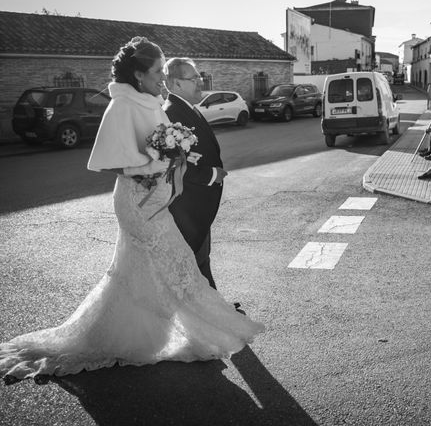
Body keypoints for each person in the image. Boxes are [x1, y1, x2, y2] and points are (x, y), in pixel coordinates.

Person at [0, 37, 263, 382]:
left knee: (150, 271)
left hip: (157, 199)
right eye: (157, 71)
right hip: (137, 204)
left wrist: (175, 158)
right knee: (175, 265)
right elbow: (110, 162)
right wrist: (156, 161)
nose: (162, 78)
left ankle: (156, 332)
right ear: (139, 74)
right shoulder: (122, 105)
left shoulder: (151, 101)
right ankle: (194, 329)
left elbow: (160, 148)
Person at [163, 58, 225, 290]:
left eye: (198, 76)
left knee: (202, 261)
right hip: (188, 207)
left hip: (199, 206)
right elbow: (174, 161)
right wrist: (210, 175)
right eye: (194, 78)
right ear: (176, 83)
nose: (200, 82)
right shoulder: (171, 113)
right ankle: (210, 315)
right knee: (195, 263)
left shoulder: (188, 109)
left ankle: (214, 307)